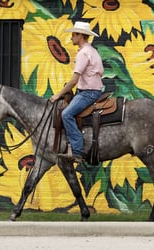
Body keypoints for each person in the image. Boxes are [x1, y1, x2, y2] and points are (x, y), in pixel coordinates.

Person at [49, 21, 104, 163]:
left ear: (81, 36)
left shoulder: (83, 54)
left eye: (74, 34)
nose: (71, 37)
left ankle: (77, 150)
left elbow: (74, 80)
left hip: (88, 93)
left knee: (67, 114)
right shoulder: (93, 51)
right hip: (93, 90)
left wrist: (58, 95)